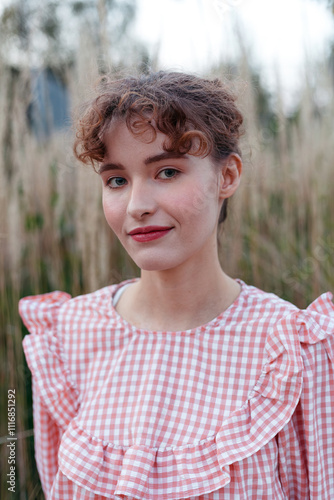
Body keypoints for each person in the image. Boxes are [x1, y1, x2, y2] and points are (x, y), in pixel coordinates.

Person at [19, 71, 334, 499]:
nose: (138, 205)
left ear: (227, 176)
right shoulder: (68, 337)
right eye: (116, 180)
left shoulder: (290, 350)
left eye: (167, 172)